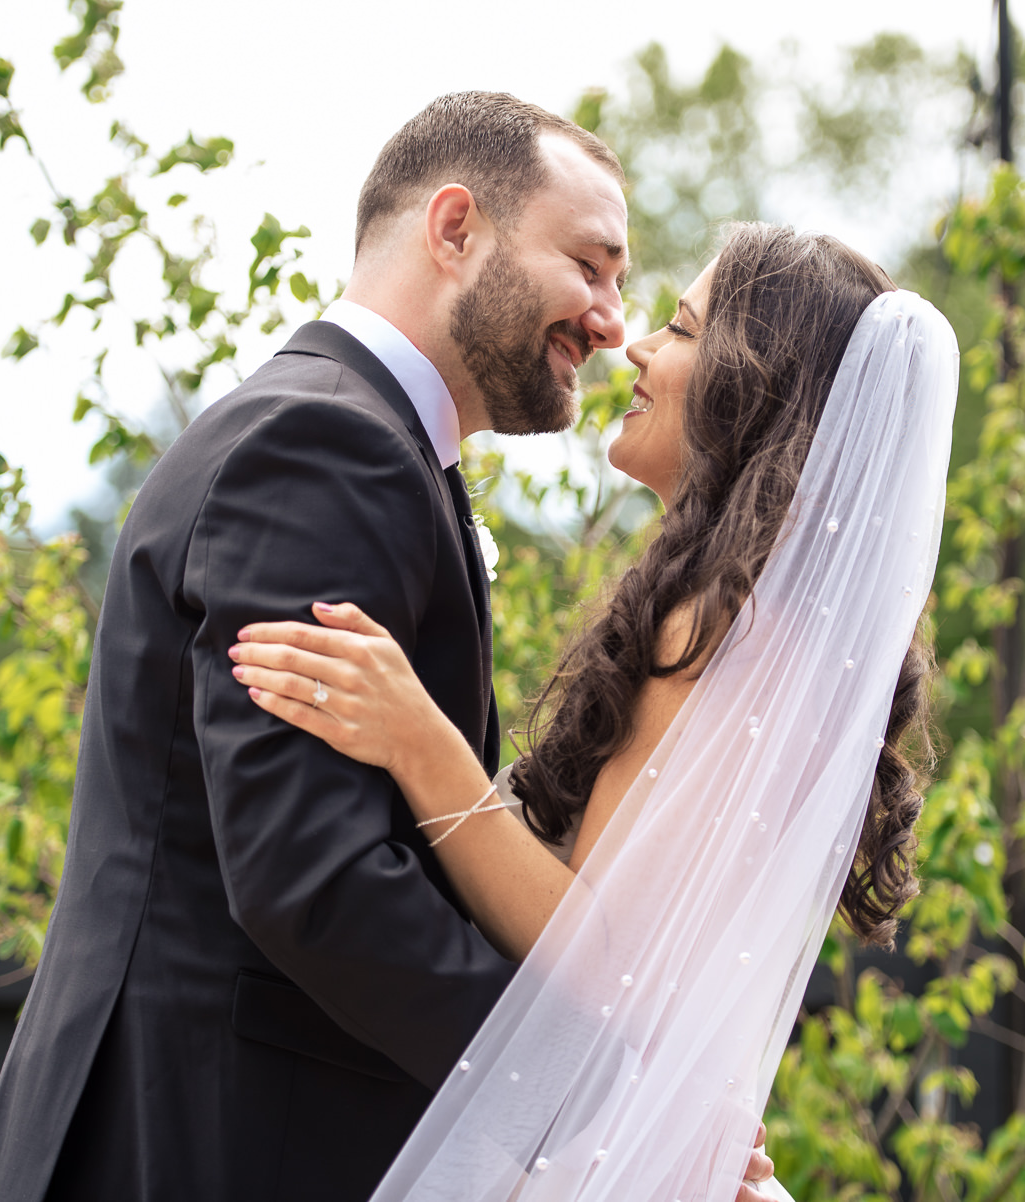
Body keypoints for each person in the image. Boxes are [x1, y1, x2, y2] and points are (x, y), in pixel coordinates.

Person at [0, 92, 685, 1202]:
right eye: (592, 265)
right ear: (455, 228)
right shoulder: (328, 443)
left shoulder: (365, 442)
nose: (612, 319)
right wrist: (580, 1098)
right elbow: (313, 876)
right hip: (201, 1142)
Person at [230, 224, 959, 1201]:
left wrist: (417, 739)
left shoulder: (718, 625)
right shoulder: (792, 642)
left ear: (755, 385)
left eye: (679, 326)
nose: (637, 348)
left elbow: (603, 956)